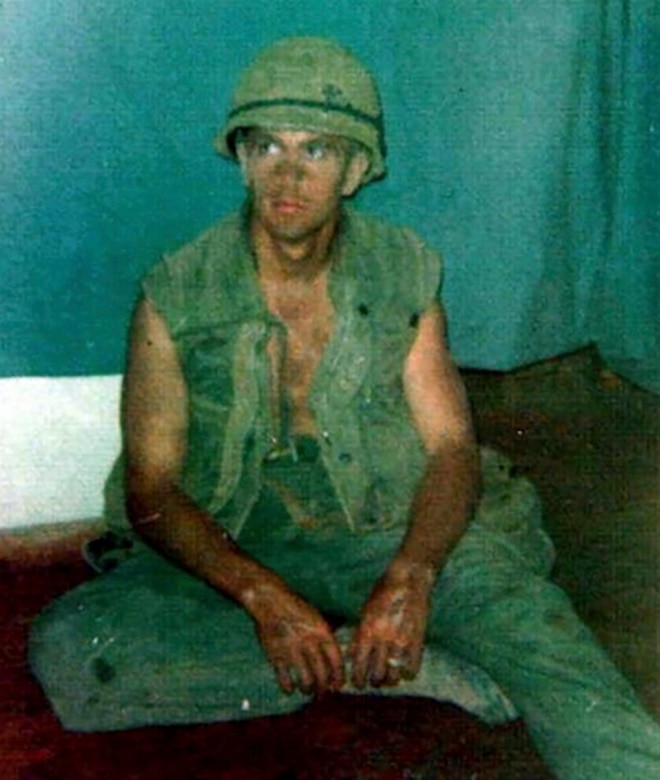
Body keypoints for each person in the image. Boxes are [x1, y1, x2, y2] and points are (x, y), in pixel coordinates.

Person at [29, 36, 660, 778]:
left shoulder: (405, 271)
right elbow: (152, 490)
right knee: (75, 651)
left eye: (319, 150)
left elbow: (452, 450)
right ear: (240, 156)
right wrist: (263, 596)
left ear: (357, 169)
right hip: (236, 536)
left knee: (538, 628)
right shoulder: (175, 292)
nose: (287, 174)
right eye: (266, 145)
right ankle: (393, 665)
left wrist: (413, 575)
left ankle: (378, 639)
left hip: (382, 522)